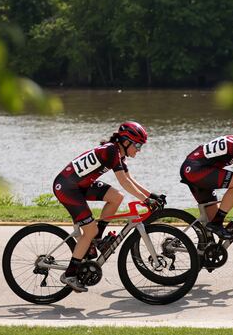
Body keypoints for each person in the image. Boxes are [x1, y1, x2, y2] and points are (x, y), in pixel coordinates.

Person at [53, 121, 165, 293]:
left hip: (80, 185)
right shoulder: (112, 151)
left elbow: (130, 179)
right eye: (138, 145)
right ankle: (70, 274)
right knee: (89, 230)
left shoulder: (117, 153)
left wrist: (151, 196)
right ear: (126, 142)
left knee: (116, 197)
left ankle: (96, 239)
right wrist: (145, 200)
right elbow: (124, 182)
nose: (139, 150)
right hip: (67, 188)